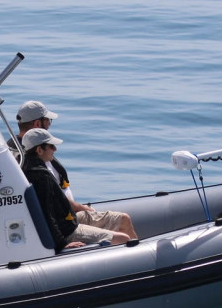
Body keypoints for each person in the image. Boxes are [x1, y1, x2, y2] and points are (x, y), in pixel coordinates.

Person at [13, 100, 138, 240]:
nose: (49, 125)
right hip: (63, 224)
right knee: (122, 237)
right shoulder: (27, 162)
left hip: (68, 216)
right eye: (48, 121)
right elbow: (46, 206)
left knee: (124, 219)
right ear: (37, 124)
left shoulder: (36, 151)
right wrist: (63, 238)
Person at [22, 128, 130, 252]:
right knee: (123, 239)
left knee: (123, 219)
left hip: (68, 221)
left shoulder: (27, 169)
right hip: (67, 230)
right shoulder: (40, 175)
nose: (55, 149)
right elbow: (46, 213)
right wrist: (61, 243)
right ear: (39, 150)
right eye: (51, 146)